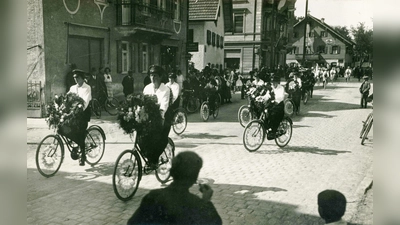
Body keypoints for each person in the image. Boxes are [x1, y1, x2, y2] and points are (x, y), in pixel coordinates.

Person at [127, 151, 222, 225]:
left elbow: (133, 223)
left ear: (172, 172)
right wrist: (206, 201)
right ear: (194, 179)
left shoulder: (153, 197)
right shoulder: (196, 204)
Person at [61, 69, 92, 166]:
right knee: (64, 127)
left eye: (77, 77)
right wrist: (62, 106)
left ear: (82, 78)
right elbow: (67, 98)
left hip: (83, 114)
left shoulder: (87, 88)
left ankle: (83, 156)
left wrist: (79, 108)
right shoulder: (73, 88)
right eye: (74, 78)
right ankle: (75, 144)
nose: (75, 79)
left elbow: (85, 102)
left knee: (80, 133)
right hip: (73, 113)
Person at [143, 65, 171, 169]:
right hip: (149, 117)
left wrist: (161, 117)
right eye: (151, 75)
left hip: (163, 117)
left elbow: (164, 105)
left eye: (155, 75)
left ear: (160, 77)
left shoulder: (165, 90)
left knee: (159, 139)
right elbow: (143, 102)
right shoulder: (147, 88)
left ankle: (154, 161)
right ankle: (149, 157)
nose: (153, 78)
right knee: (142, 137)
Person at [258, 76, 285, 140]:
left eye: (275, 82)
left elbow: (281, 97)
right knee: (266, 113)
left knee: (273, 115)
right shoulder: (271, 88)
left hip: (279, 106)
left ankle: (274, 131)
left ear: (277, 82)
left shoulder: (281, 88)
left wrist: (275, 100)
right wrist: (261, 97)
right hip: (272, 104)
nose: (273, 84)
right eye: (272, 82)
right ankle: (269, 128)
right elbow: (267, 95)